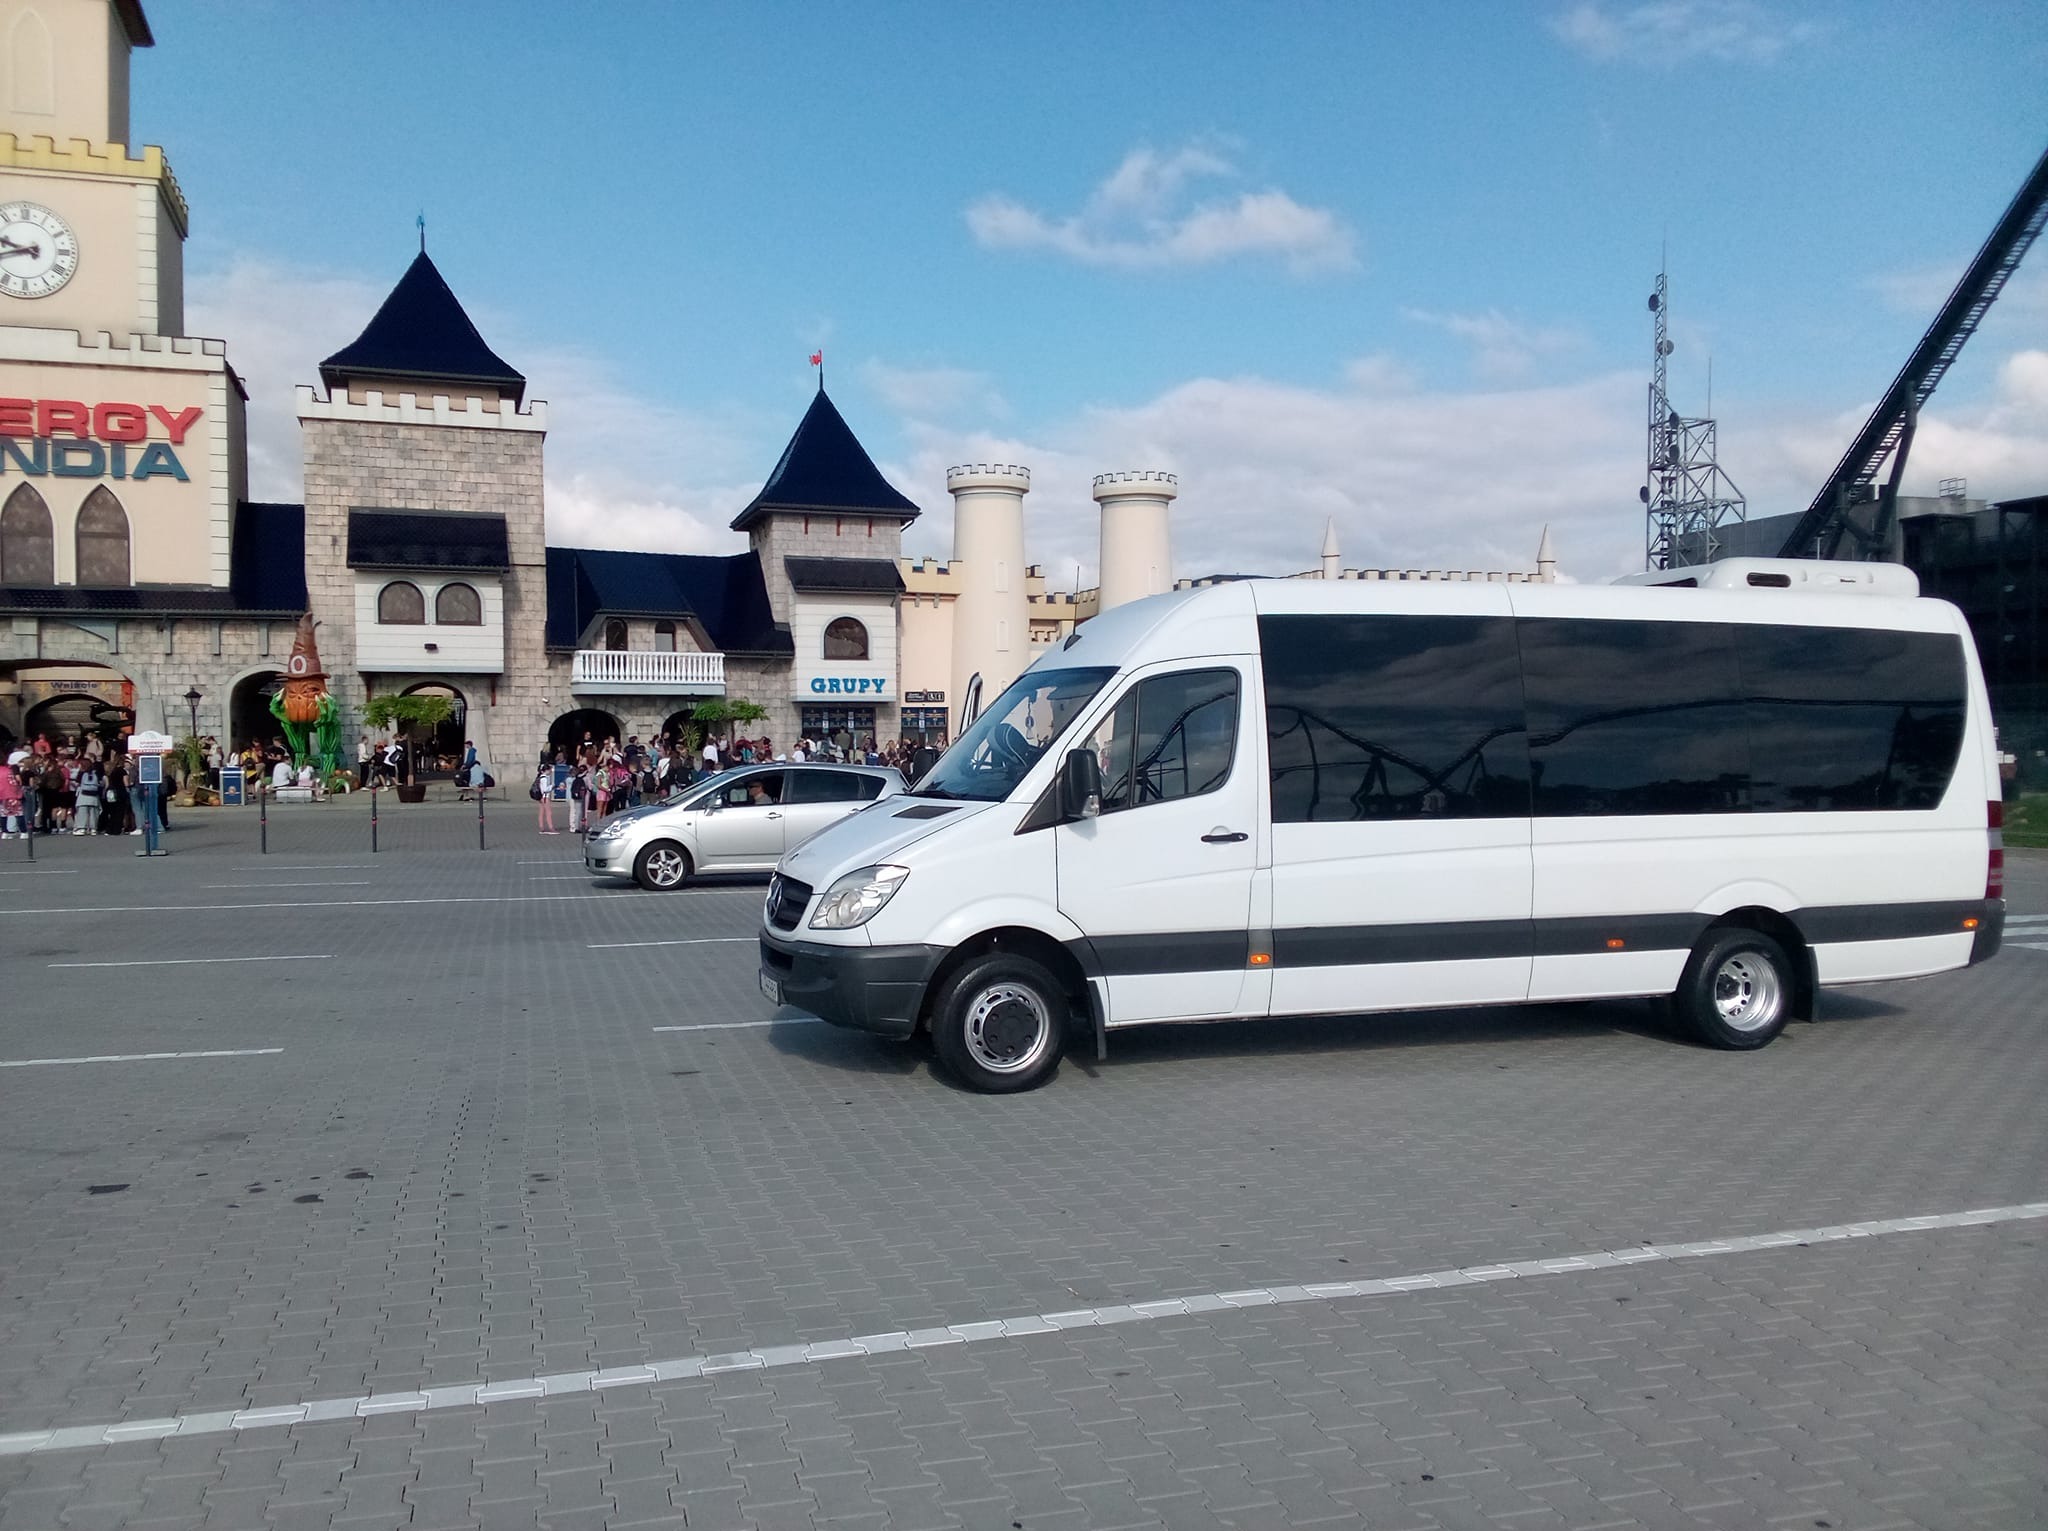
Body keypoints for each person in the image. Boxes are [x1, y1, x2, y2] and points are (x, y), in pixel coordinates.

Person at [74, 757, 102, 835]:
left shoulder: (81, 773)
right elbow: (100, 783)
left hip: (83, 795)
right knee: (94, 813)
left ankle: (82, 828)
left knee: (82, 812)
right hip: (94, 796)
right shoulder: (96, 773)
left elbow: (77, 783)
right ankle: (93, 829)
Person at [535, 751, 558, 835]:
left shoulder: (540, 777)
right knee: (548, 812)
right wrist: (552, 786)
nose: (551, 771)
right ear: (546, 770)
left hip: (541, 797)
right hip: (545, 797)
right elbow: (545, 789)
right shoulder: (545, 778)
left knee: (541, 812)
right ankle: (551, 828)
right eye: (550, 769)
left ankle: (541, 827)